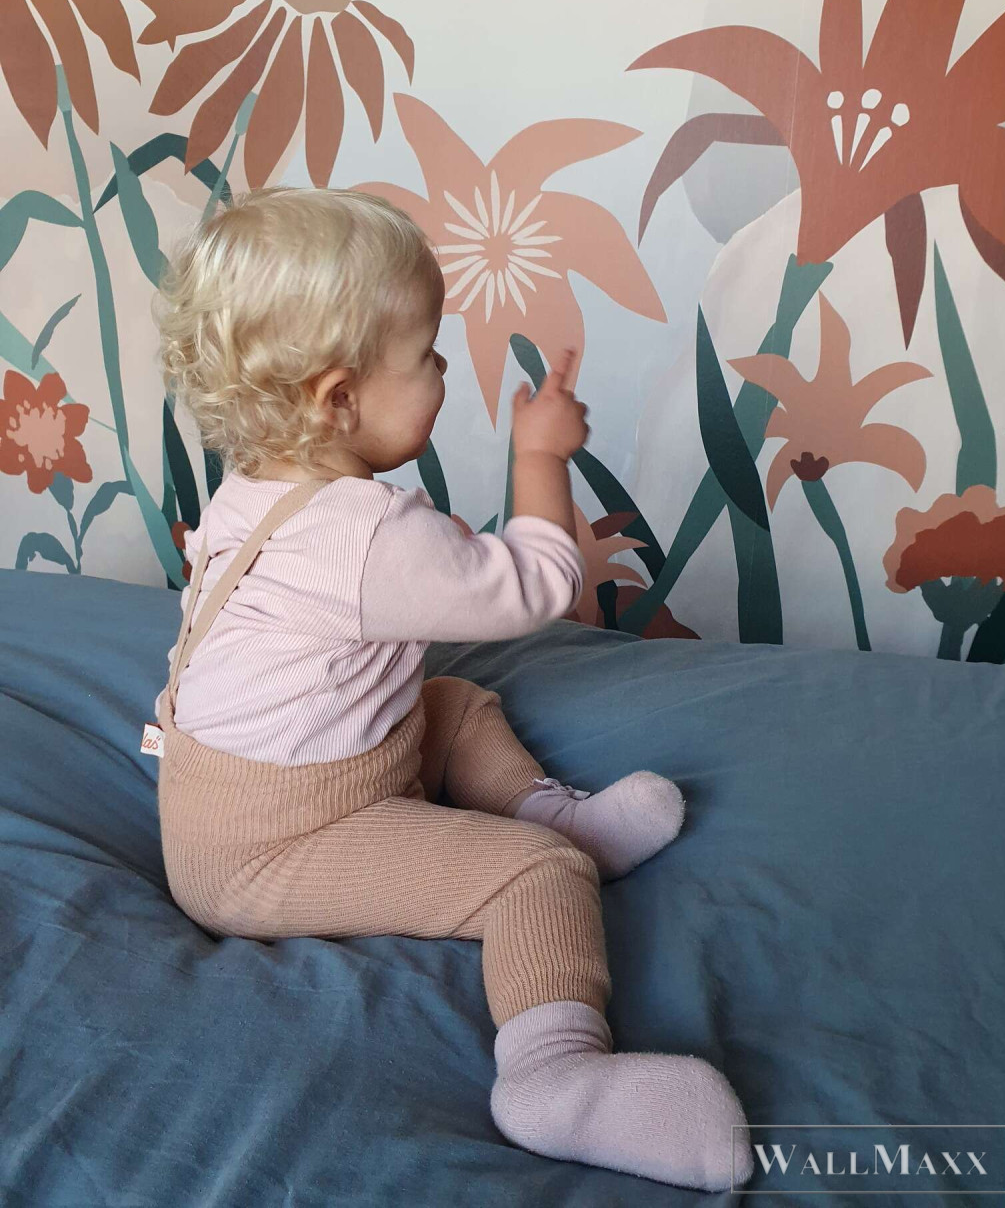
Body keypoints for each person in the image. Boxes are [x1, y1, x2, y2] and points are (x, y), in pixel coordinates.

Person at [152, 186, 754, 1191]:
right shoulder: (367, 535)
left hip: (227, 800)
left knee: (453, 703)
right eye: (427, 356)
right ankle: (556, 1077)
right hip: (274, 845)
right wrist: (538, 456)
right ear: (337, 399)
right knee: (535, 875)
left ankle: (556, 810)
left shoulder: (252, 490)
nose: (442, 372)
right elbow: (539, 585)